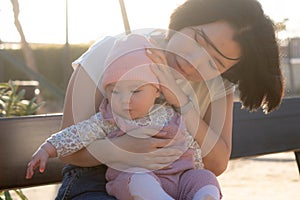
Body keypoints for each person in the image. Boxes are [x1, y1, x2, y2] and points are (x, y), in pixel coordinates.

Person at [48, 0, 284, 199]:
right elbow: (68, 152)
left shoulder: (217, 85)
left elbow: (217, 164)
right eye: (199, 40)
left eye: (215, 63)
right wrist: (120, 151)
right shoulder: (114, 51)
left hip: (176, 183)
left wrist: (182, 102)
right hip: (95, 181)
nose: (195, 61)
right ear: (186, 19)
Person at [26, 34, 222, 200]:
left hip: (179, 176)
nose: (124, 100)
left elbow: (192, 146)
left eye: (136, 91)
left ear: (156, 91)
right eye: (115, 91)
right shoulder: (108, 118)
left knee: (205, 178)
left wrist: (194, 168)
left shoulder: (170, 113)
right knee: (138, 180)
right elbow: (76, 134)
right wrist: (48, 148)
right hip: (138, 177)